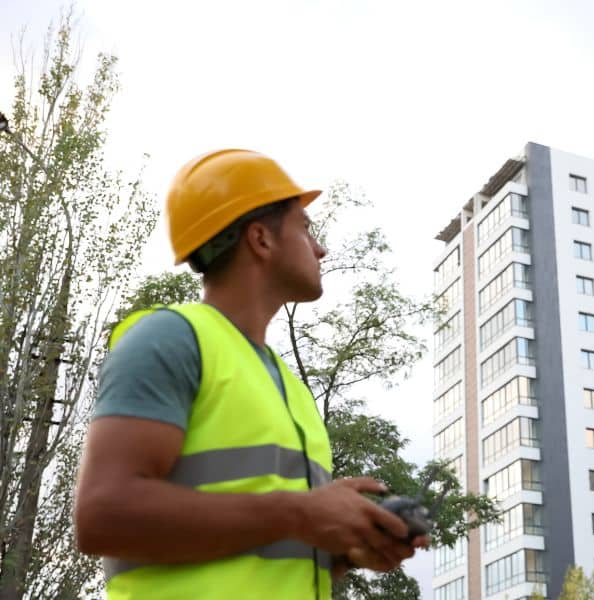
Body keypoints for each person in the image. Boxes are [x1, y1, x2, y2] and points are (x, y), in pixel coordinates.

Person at [74, 149, 425, 599]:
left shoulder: (289, 387)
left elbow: (255, 546)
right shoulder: (169, 339)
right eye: (305, 228)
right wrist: (301, 514)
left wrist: (343, 549)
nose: (320, 248)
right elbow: (104, 516)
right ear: (261, 239)